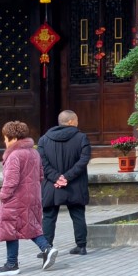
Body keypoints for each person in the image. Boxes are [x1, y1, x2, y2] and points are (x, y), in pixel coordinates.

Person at [0, 121, 58, 275]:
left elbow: (11, 181)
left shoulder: (14, 155)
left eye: (5, 138)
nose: (4, 141)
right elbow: (40, 175)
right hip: (33, 196)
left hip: (15, 199)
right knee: (30, 226)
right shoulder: (34, 153)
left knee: (10, 229)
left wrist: (2, 197)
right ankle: (47, 248)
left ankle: (12, 264)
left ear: (14, 138)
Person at [38, 109, 93, 256]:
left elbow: (42, 163)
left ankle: (46, 248)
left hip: (52, 184)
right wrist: (67, 177)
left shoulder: (44, 139)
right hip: (75, 183)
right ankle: (81, 246)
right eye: (77, 120)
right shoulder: (81, 138)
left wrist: (57, 178)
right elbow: (84, 160)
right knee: (78, 214)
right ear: (71, 122)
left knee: (49, 216)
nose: (78, 123)